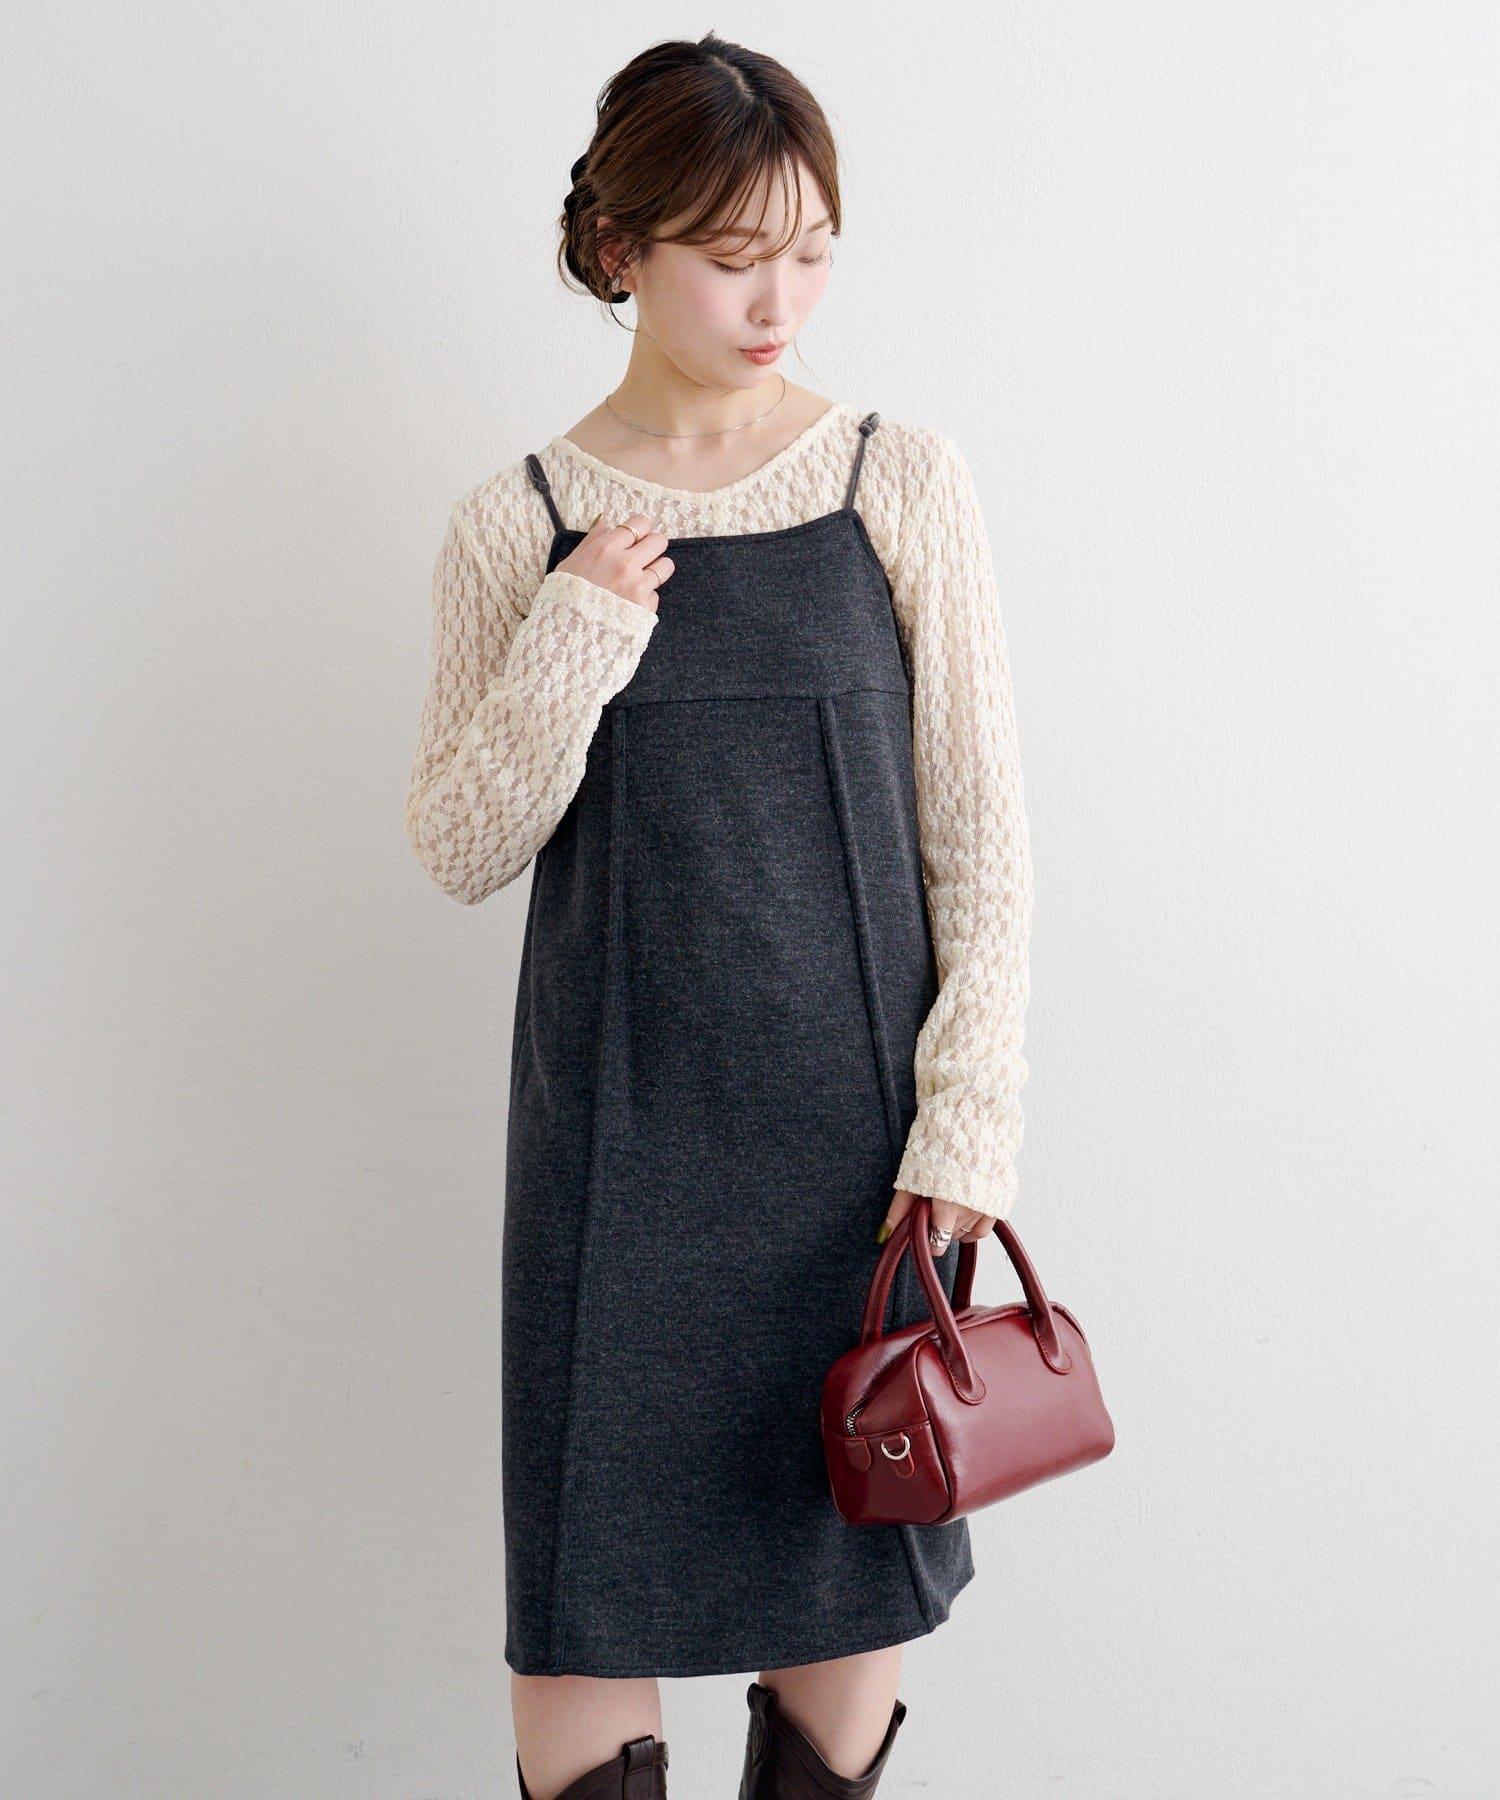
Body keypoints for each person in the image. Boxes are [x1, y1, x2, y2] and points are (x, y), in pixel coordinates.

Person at [403, 31, 1033, 1800]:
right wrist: (580, 631)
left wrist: (968, 1123)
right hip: (610, 1163)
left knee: (832, 1644)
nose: (782, 304)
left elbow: (984, 839)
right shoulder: (516, 524)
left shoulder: (898, 477)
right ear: (621, 247)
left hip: (858, 1167)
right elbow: (458, 845)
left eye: (813, 253)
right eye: (736, 258)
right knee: (581, 1635)